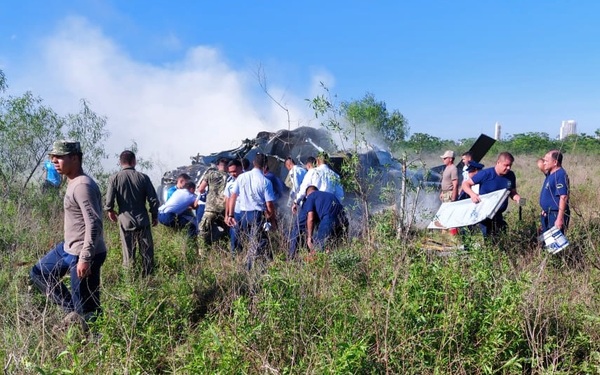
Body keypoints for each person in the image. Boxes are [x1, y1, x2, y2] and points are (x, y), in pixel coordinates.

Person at [30, 140, 107, 326]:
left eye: (59, 157)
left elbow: (94, 222)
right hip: (68, 248)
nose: (54, 161)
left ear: (74, 158)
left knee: (88, 308)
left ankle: (96, 342)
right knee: (39, 272)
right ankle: (72, 310)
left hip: (83, 253)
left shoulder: (82, 186)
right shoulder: (72, 181)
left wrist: (85, 258)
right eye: (53, 157)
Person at [105, 150, 159, 276]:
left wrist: (110, 210)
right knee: (147, 253)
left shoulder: (114, 178)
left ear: (120, 162)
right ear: (134, 161)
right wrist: (154, 215)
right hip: (143, 220)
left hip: (125, 221)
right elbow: (153, 199)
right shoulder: (143, 177)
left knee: (128, 253)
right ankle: (148, 278)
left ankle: (130, 281)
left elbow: (109, 200)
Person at [226, 154, 277, 270]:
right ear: (265, 166)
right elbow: (269, 204)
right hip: (257, 214)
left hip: (243, 214)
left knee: (253, 241)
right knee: (259, 242)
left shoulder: (241, 177)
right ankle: (252, 268)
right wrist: (272, 220)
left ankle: (263, 264)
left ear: (253, 163)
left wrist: (230, 215)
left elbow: (233, 196)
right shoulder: (265, 181)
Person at [461, 152, 521, 238]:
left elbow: (512, 192)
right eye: (506, 165)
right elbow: (465, 184)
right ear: (498, 163)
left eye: (510, 165)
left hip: (498, 214)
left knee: (500, 237)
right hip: (484, 214)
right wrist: (472, 195)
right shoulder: (486, 174)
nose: (508, 168)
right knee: (487, 238)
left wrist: (518, 198)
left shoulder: (511, 175)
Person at [304, 186, 348, 253]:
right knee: (336, 249)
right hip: (344, 220)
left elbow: (311, 218)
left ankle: (316, 261)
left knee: (318, 248)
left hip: (329, 219)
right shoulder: (330, 195)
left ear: (307, 195)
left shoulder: (311, 196)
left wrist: (309, 237)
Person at [198, 158, 229, 245]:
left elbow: (201, 189)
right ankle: (223, 247)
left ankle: (202, 252)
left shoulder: (210, 174)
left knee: (203, 230)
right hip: (224, 209)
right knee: (226, 230)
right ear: (227, 166)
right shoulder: (229, 177)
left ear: (218, 165)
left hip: (211, 208)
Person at [539, 150, 570, 233]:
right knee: (546, 242)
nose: (544, 163)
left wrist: (559, 218)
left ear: (555, 162)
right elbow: (539, 164)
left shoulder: (560, 175)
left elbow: (563, 197)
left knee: (555, 243)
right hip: (547, 213)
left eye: (546, 161)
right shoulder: (550, 174)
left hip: (555, 214)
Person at [223, 159, 244, 254]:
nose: (232, 174)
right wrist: (227, 215)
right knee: (235, 235)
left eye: (234, 171)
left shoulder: (247, 179)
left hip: (247, 211)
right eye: (230, 172)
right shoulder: (230, 183)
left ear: (241, 168)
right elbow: (228, 199)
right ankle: (235, 255)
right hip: (235, 213)